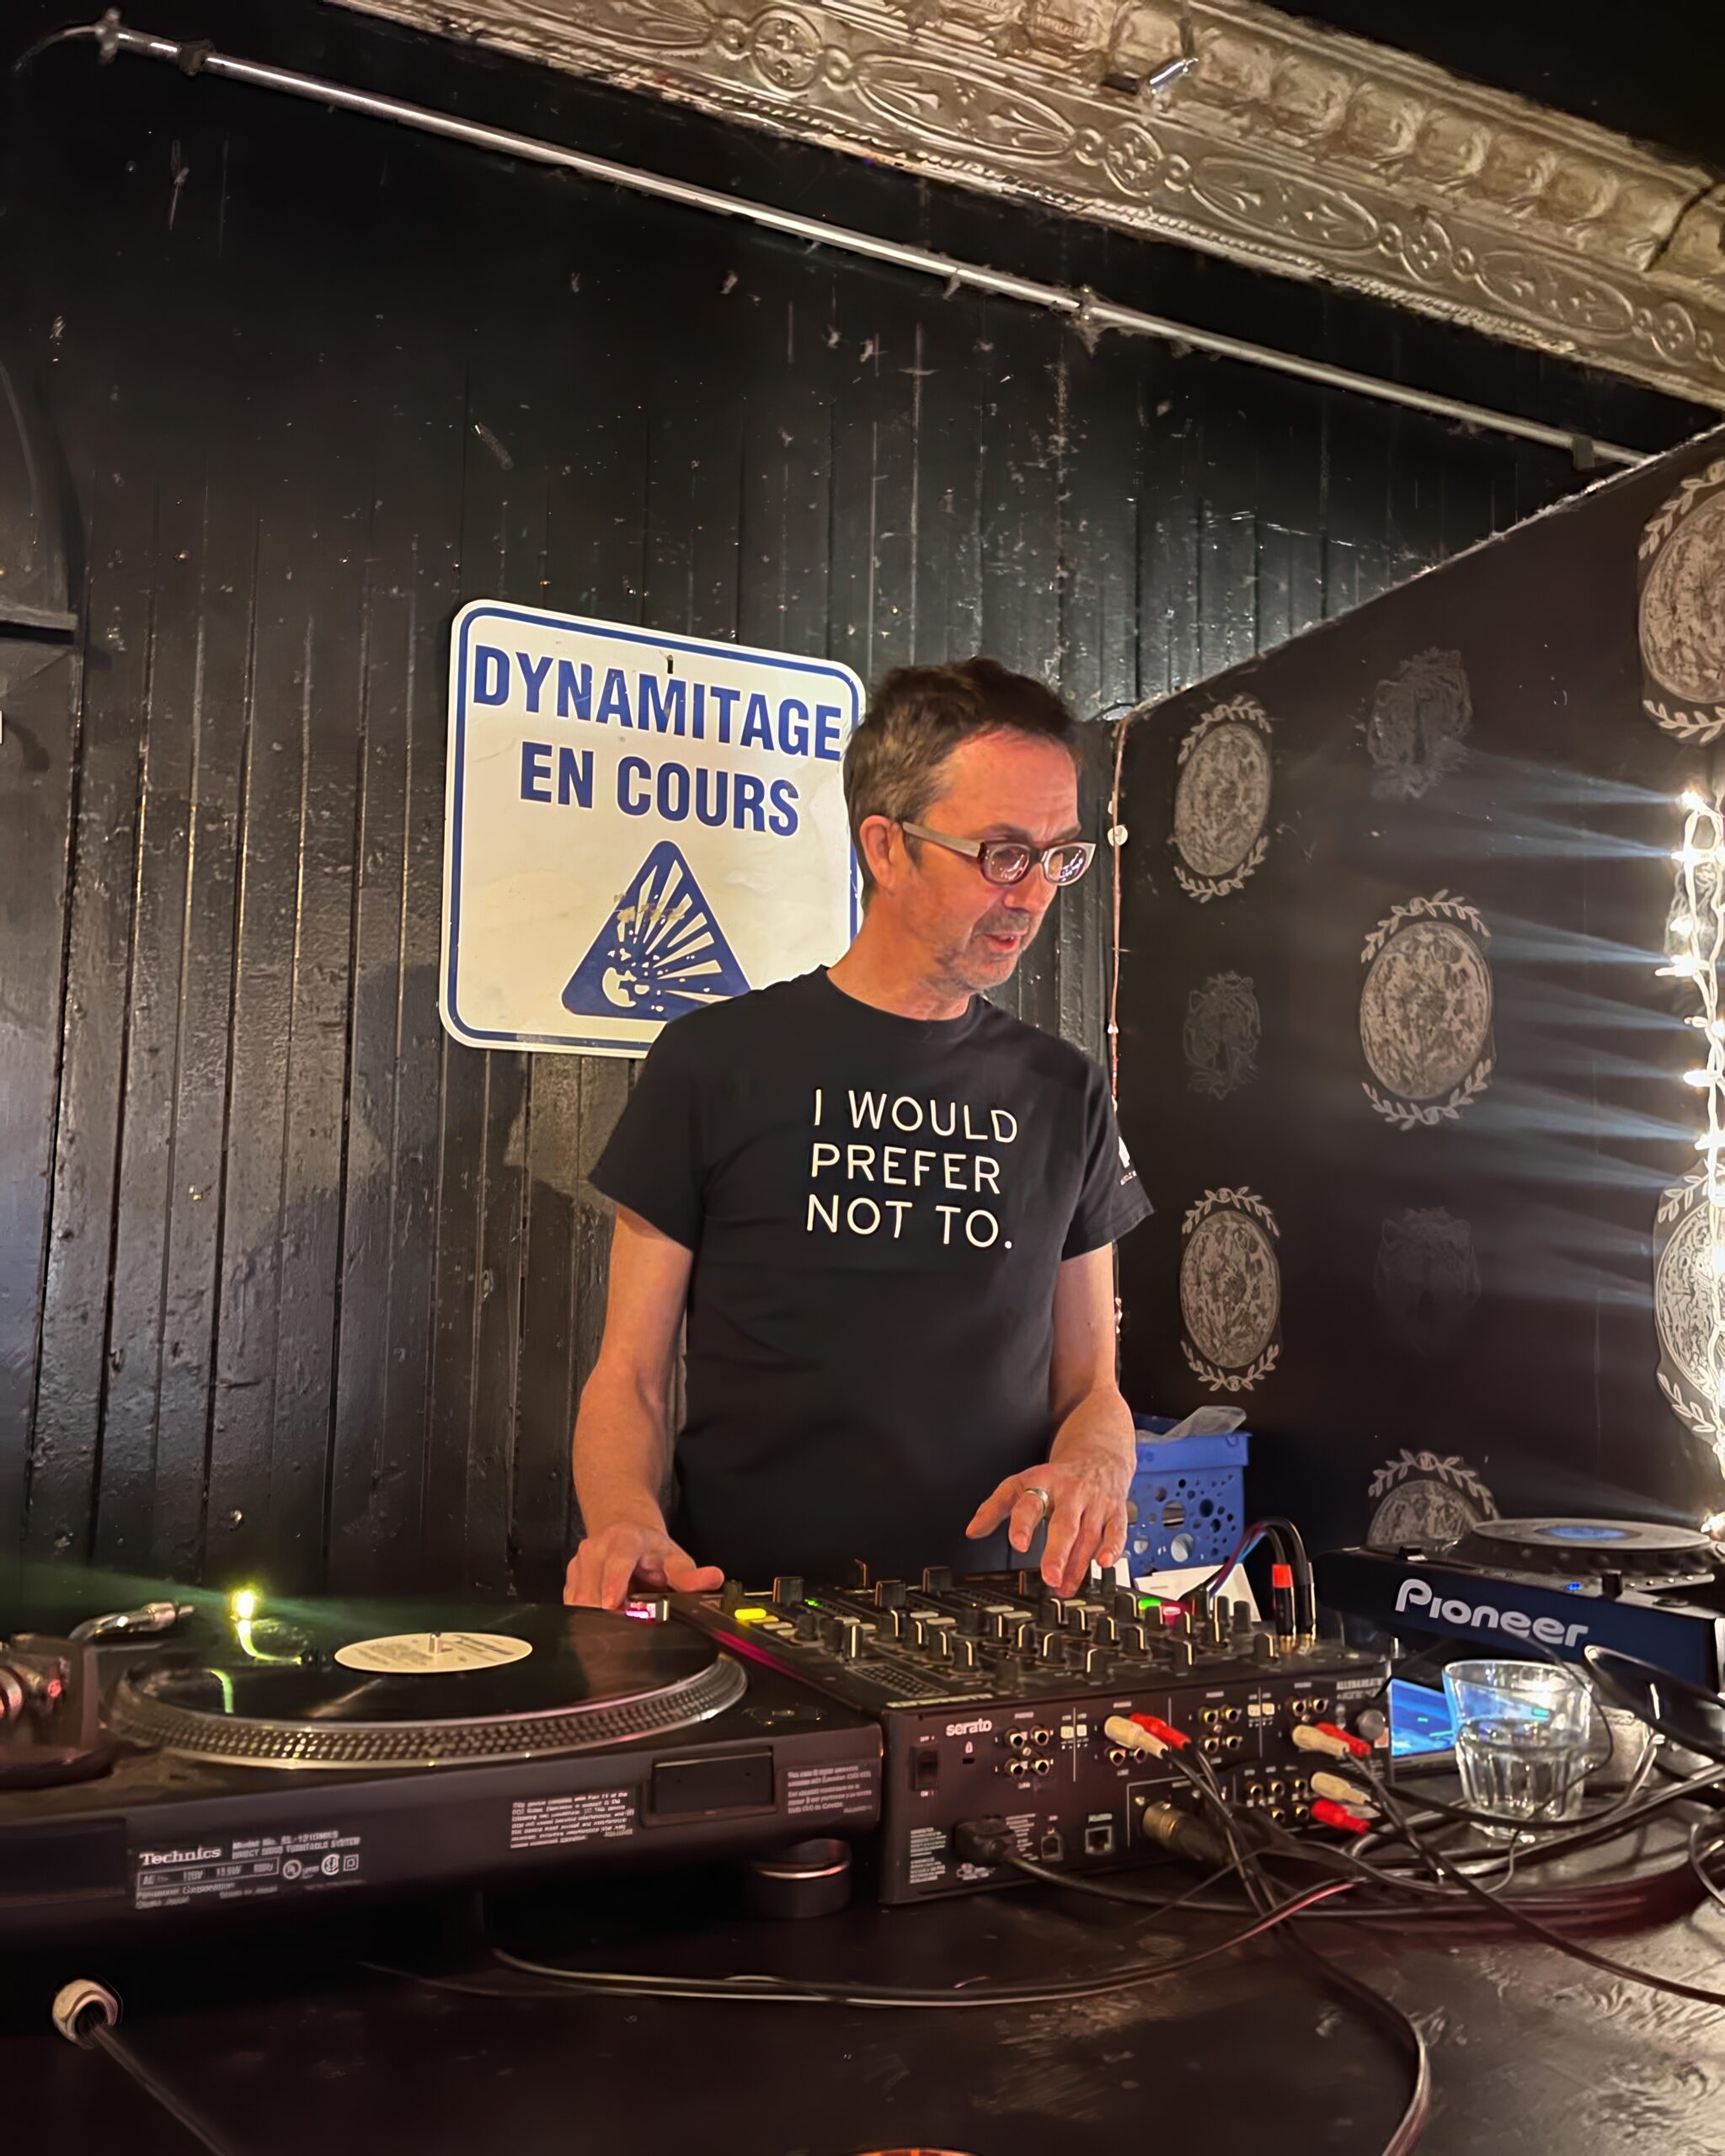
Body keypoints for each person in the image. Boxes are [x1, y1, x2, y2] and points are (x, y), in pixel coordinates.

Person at [563, 658, 1151, 1610]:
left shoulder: (1065, 1090)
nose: (1033, 894)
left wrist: (1094, 1465)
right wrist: (624, 1517)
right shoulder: (713, 1061)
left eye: (1057, 856)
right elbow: (628, 1374)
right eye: (1000, 852)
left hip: (997, 1628)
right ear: (885, 847)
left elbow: (1090, 1388)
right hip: (749, 1617)